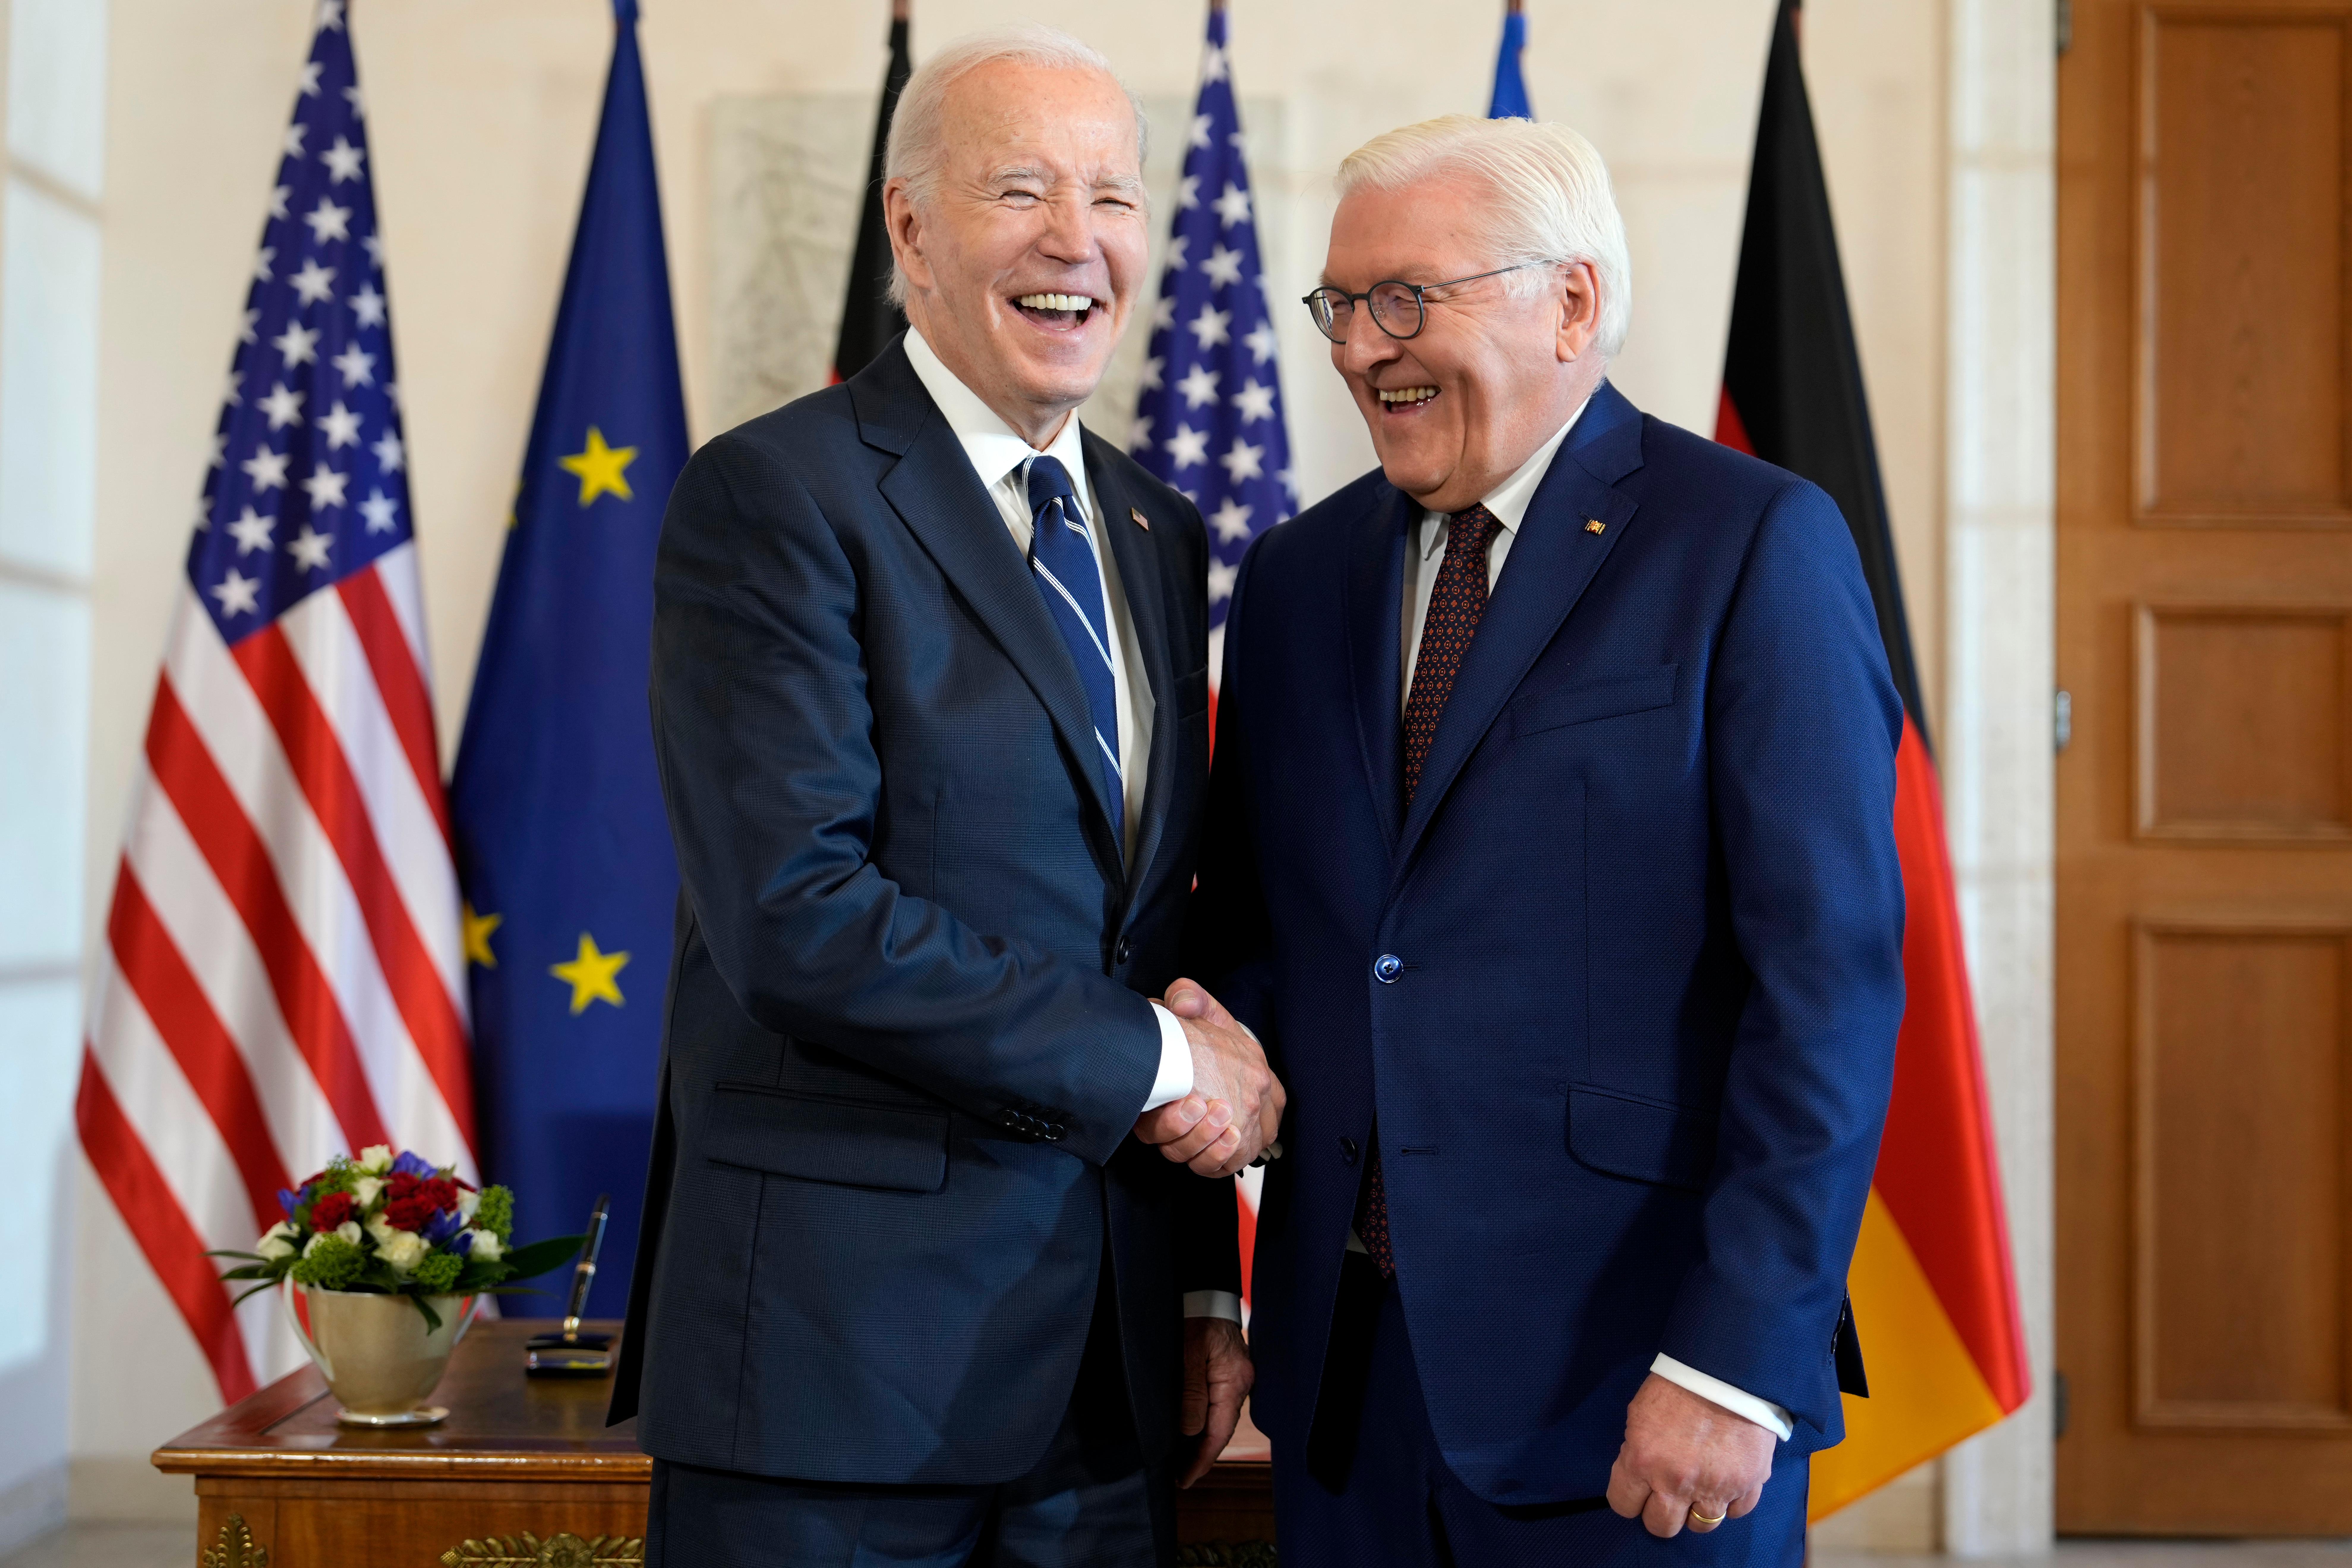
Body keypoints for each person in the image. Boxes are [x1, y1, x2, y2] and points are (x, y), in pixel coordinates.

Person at [1180, 114, 1903, 1563]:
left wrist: (1734, 1361)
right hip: (1347, 1397)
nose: (1360, 349)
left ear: (1570, 301)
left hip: (1638, 1389)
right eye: (1339, 308)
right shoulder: (1292, 580)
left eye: (1407, 299)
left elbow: (1823, 988)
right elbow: (1244, 954)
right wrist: (1206, 1290)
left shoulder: (1752, 541)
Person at [610, 26, 1282, 1566]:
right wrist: (1167, 1062)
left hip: (1103, 1390)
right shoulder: (777, 495)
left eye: (1115, 199)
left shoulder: (1154, 530)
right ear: (911, 228)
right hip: (831, 1376)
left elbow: (1143, 926)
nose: (1078, 242)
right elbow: (800, 919)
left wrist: (1194, 1288)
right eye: (1023, 191)